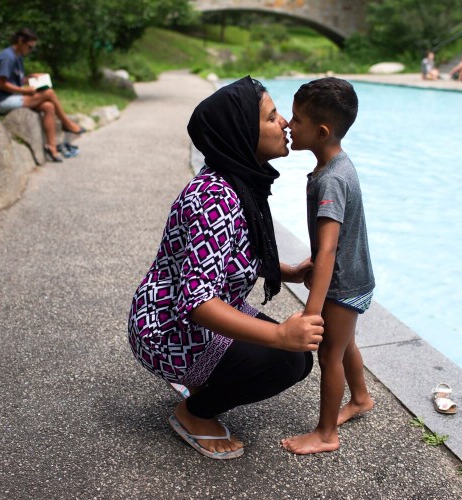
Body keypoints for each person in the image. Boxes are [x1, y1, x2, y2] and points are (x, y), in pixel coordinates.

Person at [127, 76, 325, 460]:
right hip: (168, 329)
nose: (284, 122)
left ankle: (203, 382)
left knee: (289, 354)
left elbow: (235, 257)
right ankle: (194, 413)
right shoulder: (214, 198)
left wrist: (291, 272)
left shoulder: (236, 182)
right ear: (240, 133)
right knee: (289, 360)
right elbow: (198, 302)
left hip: (185, 318)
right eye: (271, 118)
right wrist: (281, 334)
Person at [281, 77, 376, 455]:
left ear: (321, 132)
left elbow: (330, 250)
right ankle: (362, 398)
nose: (289, 125)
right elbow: (327, 246)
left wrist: (312, 311)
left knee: (328, 353)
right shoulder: (336, 166)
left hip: (343, 282)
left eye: (296, 119)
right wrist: (314, 260)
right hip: (355, 275)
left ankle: (325, 433)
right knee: (345, 341)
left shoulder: (332, 180)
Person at [0, 28, 86, 163]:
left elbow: (15, 81)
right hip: (2, 101)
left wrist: (29, 78)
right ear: (20, 41)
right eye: (29, 47)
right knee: (49, 93)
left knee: (48, 106)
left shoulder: (18, 57)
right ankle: (67, 123)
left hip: (13, 97)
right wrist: (26, 91)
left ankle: (52, 148)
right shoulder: (7, 57)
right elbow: (1, 84)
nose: (30, 50)